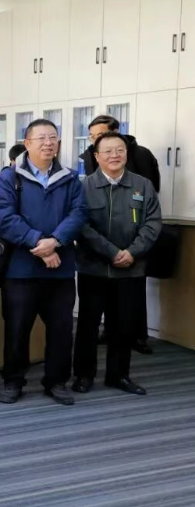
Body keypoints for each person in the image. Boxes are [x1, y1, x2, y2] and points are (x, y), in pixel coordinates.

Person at [0, 118, 87, 406]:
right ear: (27, 143)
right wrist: (40, 244)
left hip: (60, 269)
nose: (48, 143)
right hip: (21, 269)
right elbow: (4, 218)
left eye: (53, 138)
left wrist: (55, 241)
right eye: (42, 138)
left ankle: (56, 381)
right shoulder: (10, 177)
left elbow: (79, 215)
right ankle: (13, 381)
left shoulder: (70, 178)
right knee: (17, 329)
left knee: (61, 329)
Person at [73, 132, 161, 395]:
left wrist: (132, 252)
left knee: (123, 326)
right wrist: (112, 252)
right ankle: (83, 375)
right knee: (88, 325)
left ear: (127, 154)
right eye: (108, 151)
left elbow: (153, 223)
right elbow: (81, 226)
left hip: (131, 268)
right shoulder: (83, 187)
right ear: (96, 156)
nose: (115, 155)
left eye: (120, 150)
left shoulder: (142, 185)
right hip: (93, 268)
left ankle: (119, 375)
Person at [80, 115, 160, 191]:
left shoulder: (141, 154)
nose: (96, 141)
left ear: (115, 132)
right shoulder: (89, 156)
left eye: (100, 135)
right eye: (92, 136)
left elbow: (151, 188)